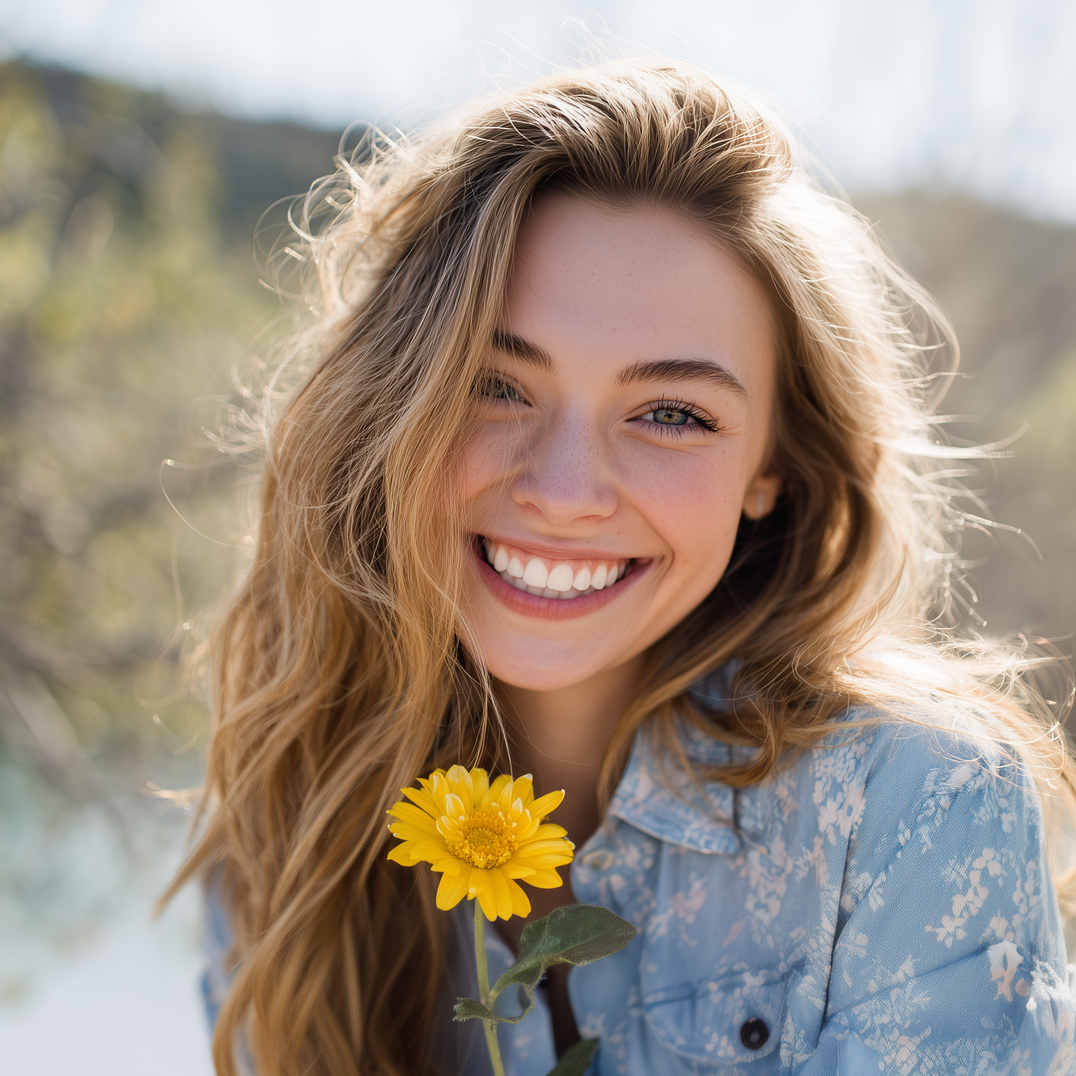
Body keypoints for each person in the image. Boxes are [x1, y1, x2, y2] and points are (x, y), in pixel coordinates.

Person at [166, 58, 1076, 1075]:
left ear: (771, 469)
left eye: (672, 413)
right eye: (492, 384)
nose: (563, 490)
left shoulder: (917, 811)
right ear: (392, 404)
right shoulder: (294, 823)